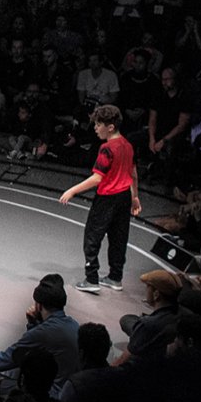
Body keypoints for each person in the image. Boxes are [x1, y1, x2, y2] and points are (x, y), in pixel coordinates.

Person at [59, 104, 141, 293]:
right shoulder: (128, 146)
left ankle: (91, 279)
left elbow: (97, 178)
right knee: (118, 238)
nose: (95, 128)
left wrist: (72, 190)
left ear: (110, 127)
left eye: (98, 125)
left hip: (107, 198)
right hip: (124, 197)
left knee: (92, 237)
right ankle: (115, 277)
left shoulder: (107, 148)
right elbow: (134, 174)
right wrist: (135, 196)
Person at [0, 273, 80, 399]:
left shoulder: (42, 332)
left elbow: (10, 356)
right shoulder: (74, 325)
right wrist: (33, 324)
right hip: (66, 387)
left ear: (38, 305)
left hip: (50, 392)